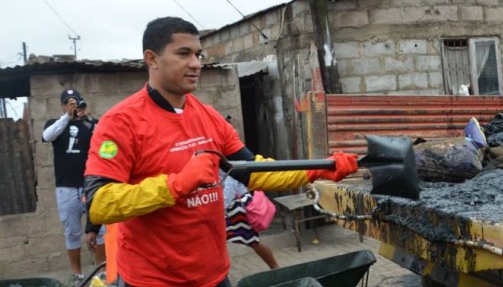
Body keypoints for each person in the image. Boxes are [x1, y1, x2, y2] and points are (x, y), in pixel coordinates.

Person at [83, 16, 358, 287]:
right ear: (152, 59)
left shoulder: (208, 117)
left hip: (214, 277)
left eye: (198, 55)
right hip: (153, 281)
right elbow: (99, 205)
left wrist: (315, 170)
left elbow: (253, 172)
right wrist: (176, 185)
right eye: (183, 53)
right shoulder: (120, 123)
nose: (195, 64)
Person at [42, 89, 106, 285]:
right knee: (72, 231)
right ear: (62, 105)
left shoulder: (89, 124)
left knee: (101, 230)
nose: (73, 106)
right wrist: (67, 117)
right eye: (68, 103)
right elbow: (47, 136)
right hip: (66, 188)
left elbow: (104, 137)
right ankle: (77, 274)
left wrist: (89, 119)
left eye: (75, 102)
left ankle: (101, 271)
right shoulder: (55, 124)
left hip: (90, 186)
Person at [221, 169, 279, 270]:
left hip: (235, 211)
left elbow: (226, 196)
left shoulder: (225, 171)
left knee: (253, 242)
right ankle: (275, 267)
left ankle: (275, 267)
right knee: (253, 242)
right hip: (232, 210)